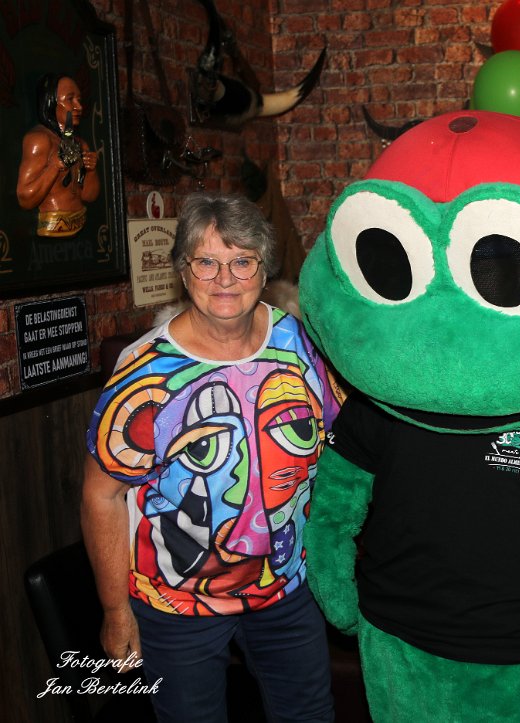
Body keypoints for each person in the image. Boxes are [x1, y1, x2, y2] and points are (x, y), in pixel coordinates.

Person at [82, 193, 340, 722]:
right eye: (207, 262)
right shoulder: (144, 370)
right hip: (176, 605)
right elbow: (100, 496)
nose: (226, 278)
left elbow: (337, 443)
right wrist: (115, 611)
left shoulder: (300, 343)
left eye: (242, 261)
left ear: (264, 270)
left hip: (288, 589)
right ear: (184, 271)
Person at [16, 74, 100, 237]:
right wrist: (54, 166)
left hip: (81, 226)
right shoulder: (39, 140)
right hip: (52, 227)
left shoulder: (81, 144)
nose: (79, 106)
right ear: (51, 103)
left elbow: (89, 196)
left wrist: (91, 171)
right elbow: (24, 199)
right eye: (70, 99)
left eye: (79, 100)